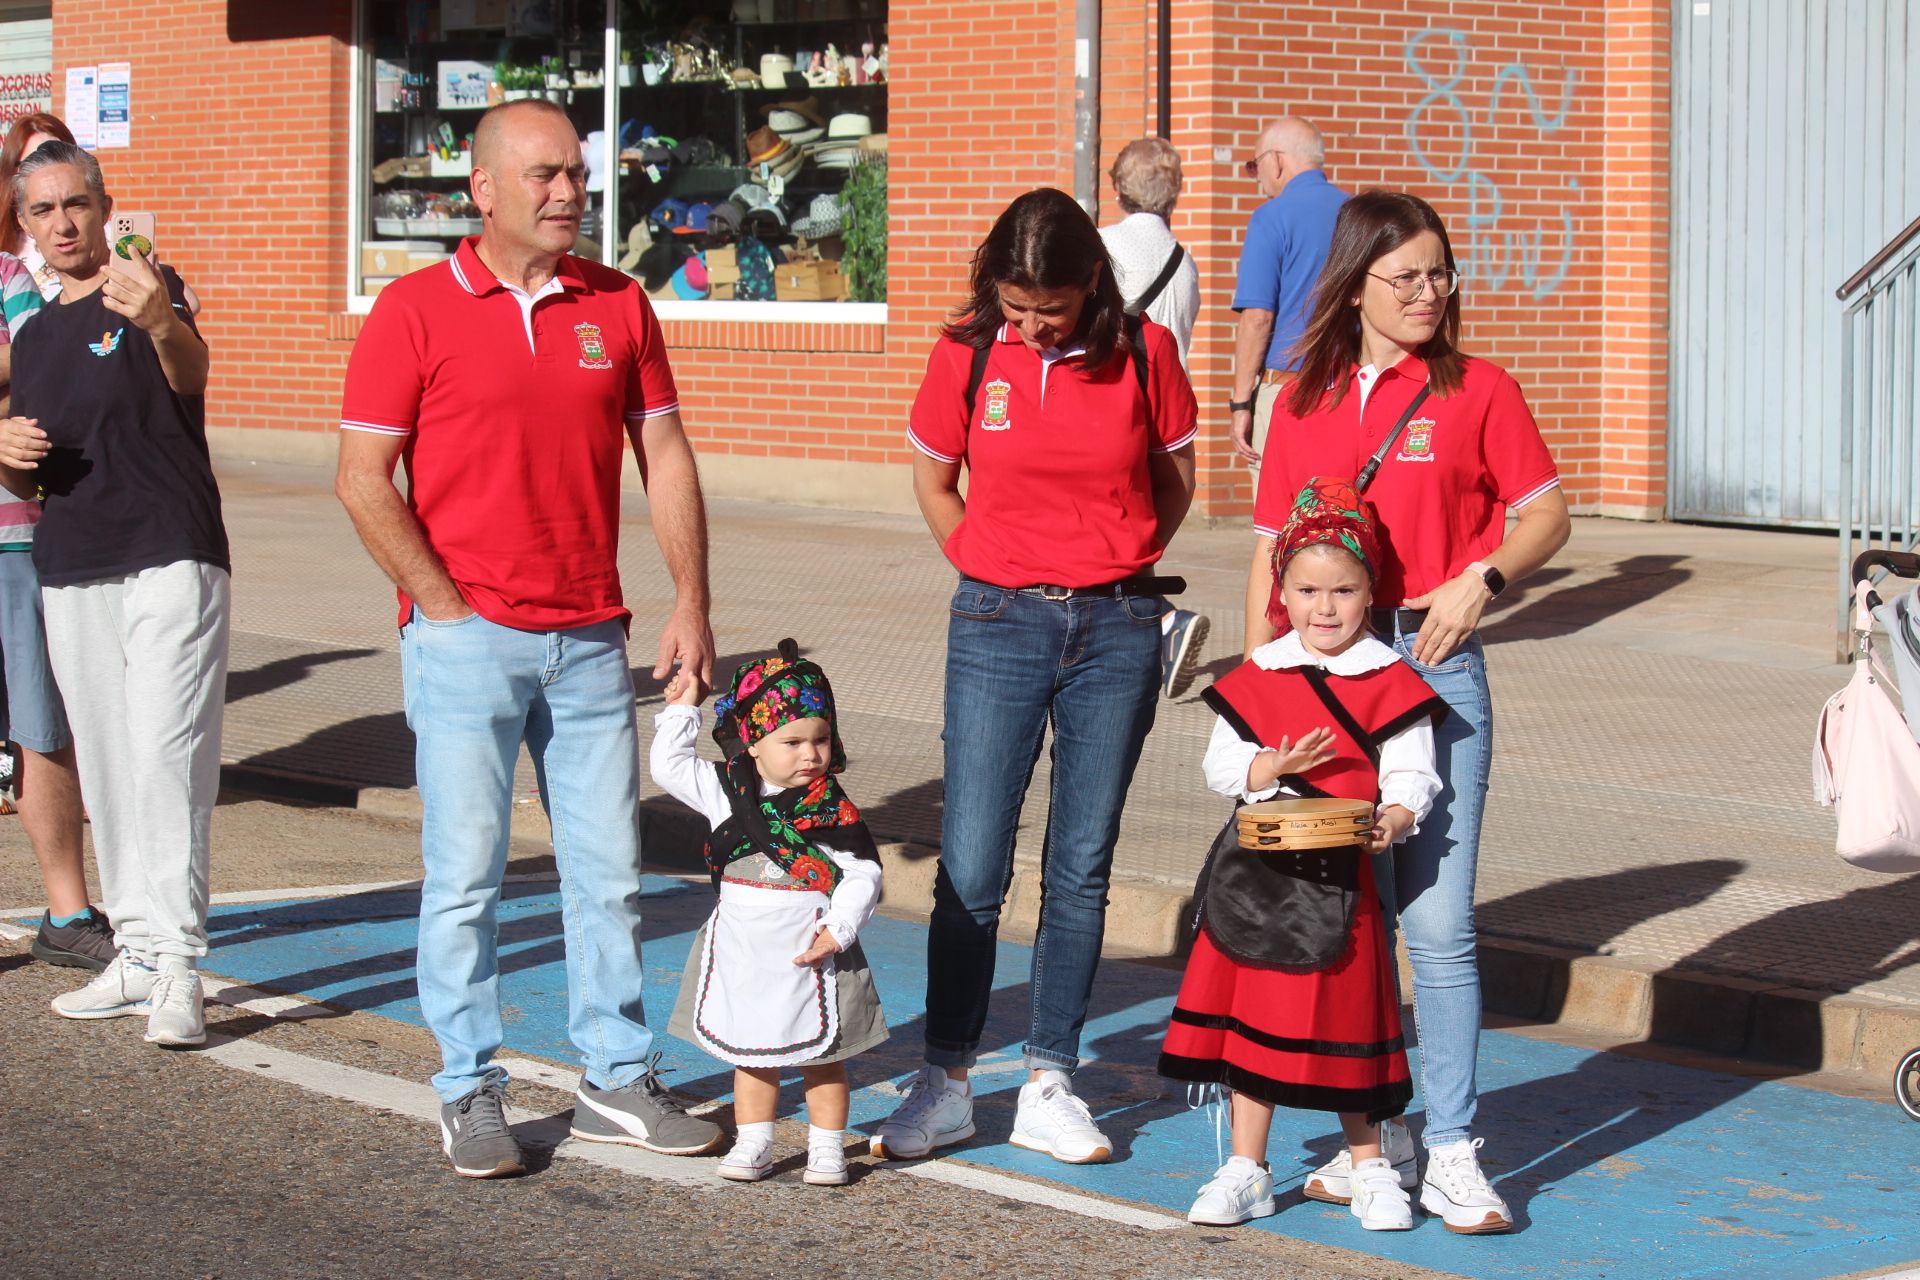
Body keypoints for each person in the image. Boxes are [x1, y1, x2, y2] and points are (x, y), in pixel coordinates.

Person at [335, 99, 721, 1179]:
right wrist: (441, 603)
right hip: (468, 640)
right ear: (485, 189)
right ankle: (467, 1084)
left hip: (593, 636)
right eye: (545, 175)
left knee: (609, 875)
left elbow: (668, 455)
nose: (568, 192)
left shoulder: (620, 301)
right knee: (466, 876)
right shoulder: (414, 309)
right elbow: (361, 479)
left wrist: (691, 600)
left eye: (577, 174)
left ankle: (616, 1076)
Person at [1246, 190, 1571, 1233]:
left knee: (1437, 928)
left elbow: (1547, 514)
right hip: (1327, 681)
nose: (1430, 292)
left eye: (1440, 273)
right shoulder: (1299, 400)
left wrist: (1486, 578)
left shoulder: (1479, 389)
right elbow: (1270, 548)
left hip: (1438, 665)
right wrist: (1262, 684)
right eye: (1407, 276)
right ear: (1356, 284)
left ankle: (1455, 1146)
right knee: (1350, 923)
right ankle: (1369, 1139)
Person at [877, 187, 1198, 1166]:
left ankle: (1052, 1076)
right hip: (996, 620)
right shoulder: (969, 350)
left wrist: (1123, 558)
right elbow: (934, 478)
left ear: (1090, 281)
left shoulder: (1145, 352)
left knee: (1081, 860)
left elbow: (1176, 475)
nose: (1028, 323)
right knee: (972, 859)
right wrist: (983, 559)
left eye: (1046, 308)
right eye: (1014, 305)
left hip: (1116, 624)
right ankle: (945, 1077)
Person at [1161, 477, 1442, 1233]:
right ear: (1281, 591)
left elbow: (1414, 768)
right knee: (1254, 1019)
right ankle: (1247, 1168)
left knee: (1351, 1020)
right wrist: (1273, 769)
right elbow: (1223, 769)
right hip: (1256, 878)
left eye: (1344, 591)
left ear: (1368, 593)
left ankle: (1371, 1167)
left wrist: (1398, 815)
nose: (1326, 607)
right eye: (1309, 589)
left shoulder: (1390, 677)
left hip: (1342, 881)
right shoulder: (1258, 676)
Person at [0, 141, 227, 1046]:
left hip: (169, 549)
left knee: (168, 758)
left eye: (77, 204)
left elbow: (192, 373)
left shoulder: (147, 284)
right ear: (24, 227)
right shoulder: (33, 335)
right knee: (111, 762)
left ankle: (178, 966)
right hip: (72, 562)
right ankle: (134, 949)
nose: (63, 223)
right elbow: (35, 474)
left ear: (104, 206)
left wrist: (164, 319)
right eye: (43, 211)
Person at [651, 640, 887, 1187]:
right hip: (744, 951)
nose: (811, 754)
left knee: (824, 1056)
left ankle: (827, 1149)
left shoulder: (833, 808)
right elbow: (668, 766)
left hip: (815, 952)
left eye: (821, 739)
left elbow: (863, 873)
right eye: (793, 741)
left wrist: (840, 928)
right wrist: (683, 707)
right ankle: (755, 1141)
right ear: (753, 743)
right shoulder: (722, 791)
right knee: (752, 1052)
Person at [0, 116, 106, 971]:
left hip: (15, 539)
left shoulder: (14, 283)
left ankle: (68, 915)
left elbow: (47, 370)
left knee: (42, 727)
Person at [1100, 137, 1208, 700]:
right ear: (1177, 191)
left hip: (1112, 408)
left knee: (1099, 531)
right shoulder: (1184, 262)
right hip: (1167, 413)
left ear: (1116, 187)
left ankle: (1163, 623)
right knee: (1127, 529)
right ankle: (1153, 629)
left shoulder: (1100, 245)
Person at [1228, 118, 1348, 467]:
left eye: (1255, 164)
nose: (1256, 177)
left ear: (1277, 159)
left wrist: (1240, 403)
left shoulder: (1271, 217)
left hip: (1288, 390)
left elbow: (1258, 318)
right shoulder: (1358, 213)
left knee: (1277, 513)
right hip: (1351, 385)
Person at [0, 113, 199, 315]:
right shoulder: (6, 248)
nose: (48, 169)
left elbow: (184, 302)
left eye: (58, 154)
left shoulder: (103, 233)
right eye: (33, 161)